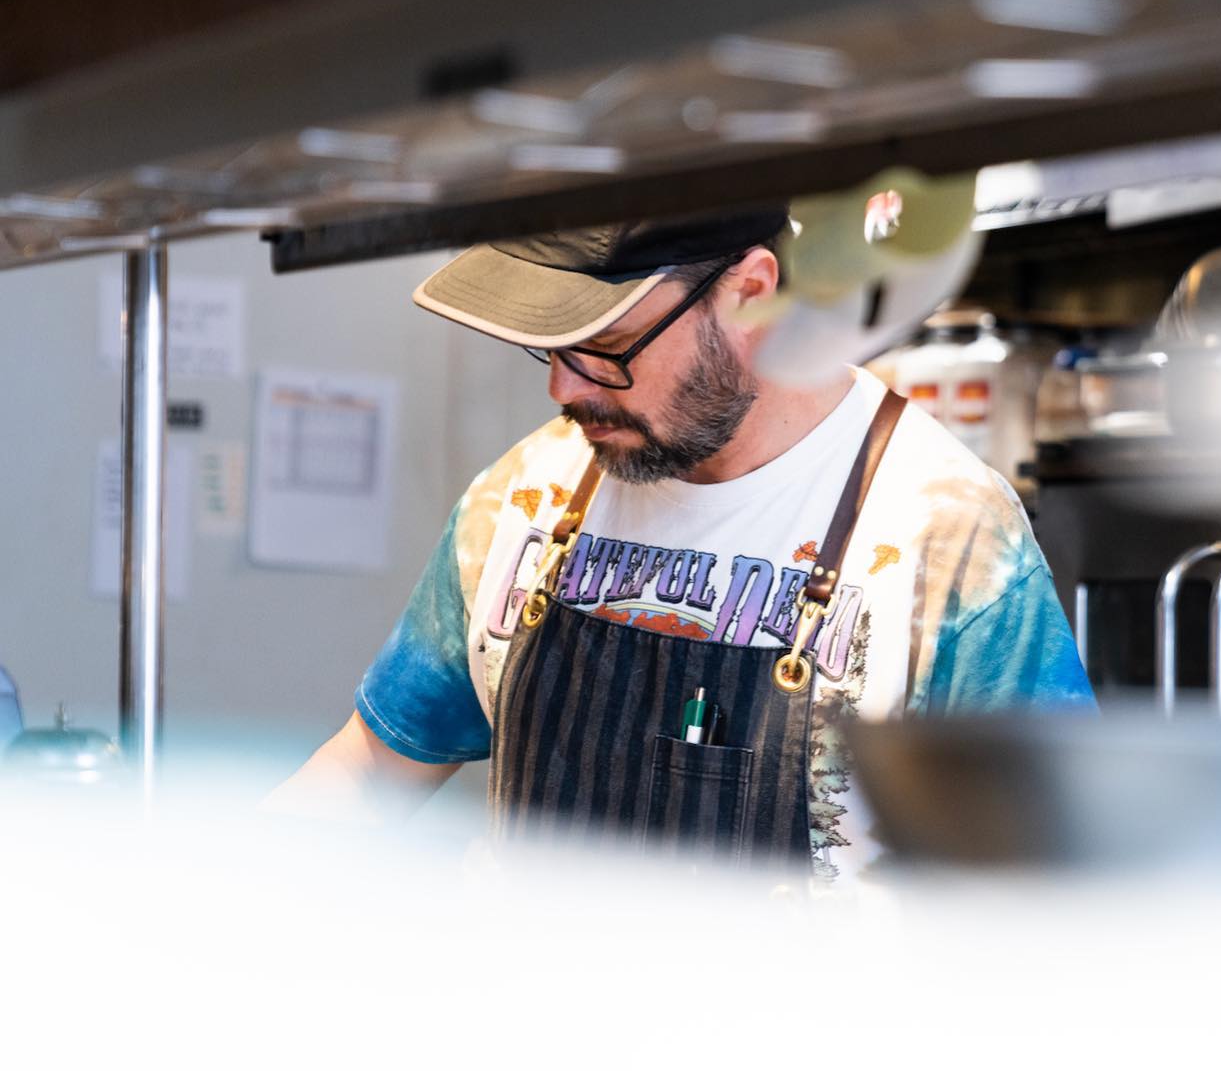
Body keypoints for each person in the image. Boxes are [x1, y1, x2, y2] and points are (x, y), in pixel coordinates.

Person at [273, 206, 1093, 883]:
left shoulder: (948, 539)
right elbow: (370, 769)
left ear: (750, 293)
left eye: (606, 346)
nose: (563, 386)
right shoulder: (525, 495)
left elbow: (1051, 897)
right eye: (551, 347)